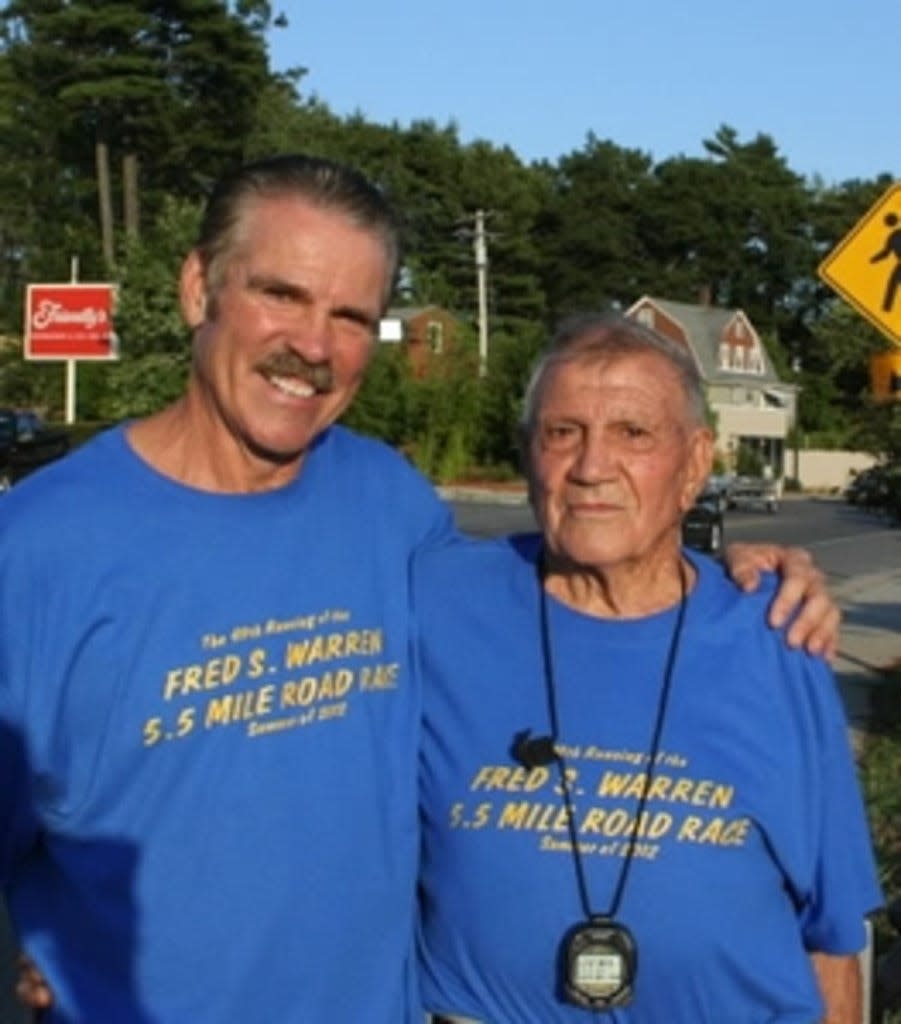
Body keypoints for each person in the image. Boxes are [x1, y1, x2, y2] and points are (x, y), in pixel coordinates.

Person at [0, 155, 842, 1023]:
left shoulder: (388, 505)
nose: (314, 346)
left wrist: (732, 570)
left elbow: (578, 566)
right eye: (281, 295)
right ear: (195, 289)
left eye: (351, 316)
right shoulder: (34, 554)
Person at [414, 314, 881, 1023]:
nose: (592, 465)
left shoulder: (777, 633)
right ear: (527, 454)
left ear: (694, 463)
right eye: (561, 431)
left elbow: (830, 932)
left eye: (633, 434)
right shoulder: (434, 603)